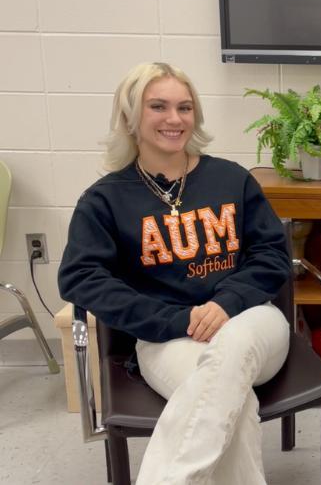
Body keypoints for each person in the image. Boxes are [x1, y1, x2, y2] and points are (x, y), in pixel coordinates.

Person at [58, 62, 292, 484]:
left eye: (185, 107)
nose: (175, 118)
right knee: (234, 409)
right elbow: (81, 277)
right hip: (168, 339)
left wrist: (226, 303)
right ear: (130, 116)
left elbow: (272, 255)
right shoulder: (105, 200)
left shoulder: (232, 179)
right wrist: (176, 320)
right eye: (158, 106)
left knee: (234, 346)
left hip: (251, 321)